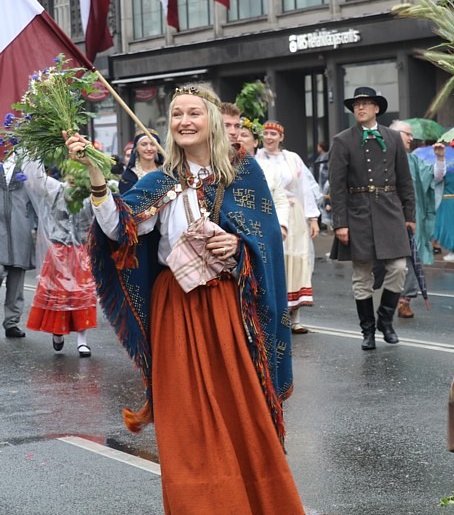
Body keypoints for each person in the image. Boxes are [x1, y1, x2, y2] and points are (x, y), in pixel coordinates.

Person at [63, 84, 303, 515]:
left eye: (193, 113)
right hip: (177, 309)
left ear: (210, 120)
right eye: (176, 115)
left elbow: (265, 242)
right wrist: (97, 175)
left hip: (229, 309)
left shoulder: (245, 175)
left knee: (242, 413)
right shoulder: (160, 181)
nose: (184, 122)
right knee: (186, 421)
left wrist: (237, 247)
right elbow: (119, 229)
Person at [329, 87, 415, 350]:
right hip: (357, 213)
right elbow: (337, 186)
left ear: (377, 108)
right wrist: (340, 223)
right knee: (362, 274)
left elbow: (405, 180)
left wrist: (409, 214)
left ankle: (385, 321)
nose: (360, 108)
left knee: (399, 268)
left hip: (390, 210)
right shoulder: (342, 140)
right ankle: (367, 330)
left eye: (366, 104)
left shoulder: (392, 137)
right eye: (357, 105)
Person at [24, 161, 96, 356]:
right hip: (59, 251)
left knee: (82, 295)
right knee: (57, 294)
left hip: (81, 250)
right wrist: (33, 153)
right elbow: (37, 179)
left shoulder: (92, 193)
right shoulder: (57, 189)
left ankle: (82, 340)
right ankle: (57, 331)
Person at [256, 121, 320, 334]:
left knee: (297, 260)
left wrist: (313, 218)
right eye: (266, 133)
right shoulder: (256, 159)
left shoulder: (292, 159)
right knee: (278, 261)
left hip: (294, 215)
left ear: (281, 137)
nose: (269, 137)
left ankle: (296, 318)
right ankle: (276, 315)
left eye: (273, 134)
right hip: (270, 213)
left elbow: (306, 188)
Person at [389, 120, 445, 318]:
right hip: (386, 218)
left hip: (410, 218)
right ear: (395, 135)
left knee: (411, 258)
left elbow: (434, 178)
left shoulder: (413, 161)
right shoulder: (382, 159)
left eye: (412, 135)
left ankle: (405, 300)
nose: (411, 139)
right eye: (408, 134)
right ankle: (388, 298)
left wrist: (439, 159)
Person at [0, 149, 35, 338]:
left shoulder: (27, 167)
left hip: (20, 229)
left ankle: (12, 323)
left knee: (16, 279)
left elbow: (38, 197)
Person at [118, 129, 163, 194]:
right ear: (137, 148)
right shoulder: (128, 177)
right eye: (144, 144)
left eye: (153, 144)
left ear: (158, 148)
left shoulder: (166, 173)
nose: (149, 148)